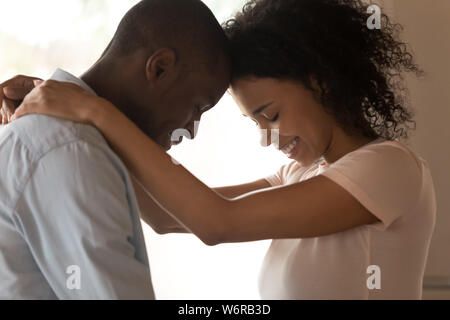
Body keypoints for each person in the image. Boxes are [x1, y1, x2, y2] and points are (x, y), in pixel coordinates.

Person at [2, 0, 437, 300]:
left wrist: (94, 111)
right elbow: (168, 217)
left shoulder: (389, 168)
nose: (269, 138)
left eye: (270, 115)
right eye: (255, 124)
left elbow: (217, 222)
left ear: (319, 80)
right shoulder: (300, 176)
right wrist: (62, 104)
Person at [0, 0, 230, 299]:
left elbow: (173, 215)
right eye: (198, 107)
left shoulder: (68, 139)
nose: (191, 130)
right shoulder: (73, 150)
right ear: (159, 68)